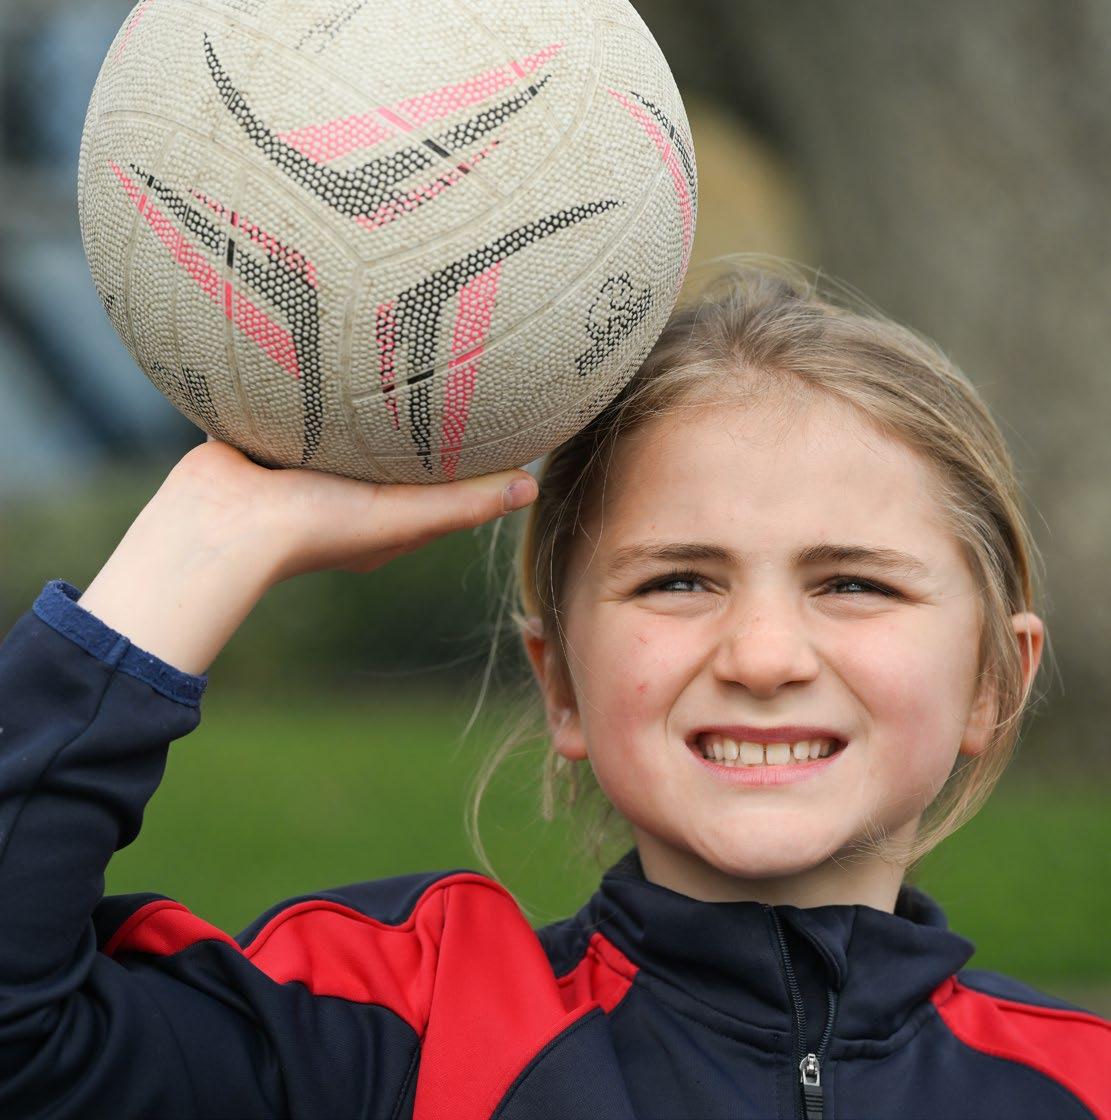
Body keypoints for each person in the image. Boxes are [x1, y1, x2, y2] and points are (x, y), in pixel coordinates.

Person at [1, 259, 1107, 1120]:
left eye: (854, 584)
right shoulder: (387, 1023)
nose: (764, 656)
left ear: (991, 682)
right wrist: (204, 537)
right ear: (562, 683)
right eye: (678, 581)